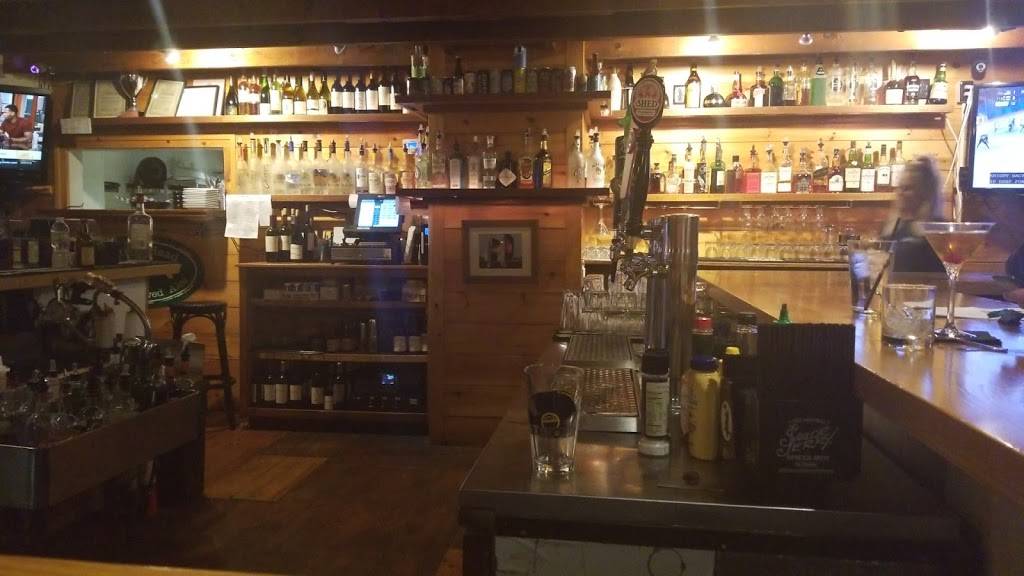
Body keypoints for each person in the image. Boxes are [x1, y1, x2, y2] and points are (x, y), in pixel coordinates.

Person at [881, 155, 945, 273]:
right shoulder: (893, 226)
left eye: (907, 188)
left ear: (925, 193)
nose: (900, 193)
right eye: (900, 187)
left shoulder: (938, 230)